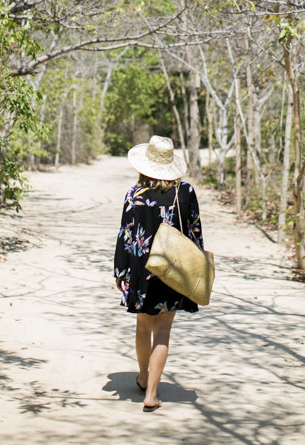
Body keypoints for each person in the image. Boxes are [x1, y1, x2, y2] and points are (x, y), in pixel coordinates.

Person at [114, 134, 205, 412]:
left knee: (143, 325)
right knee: (163, 330)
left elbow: (126, 234)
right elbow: (195, 231)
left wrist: (120, 270)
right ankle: (151, 394)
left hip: (142, 269)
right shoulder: (185, 192)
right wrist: (197, 266)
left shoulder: (135, 194)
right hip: (172, 268)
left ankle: (143, 377)